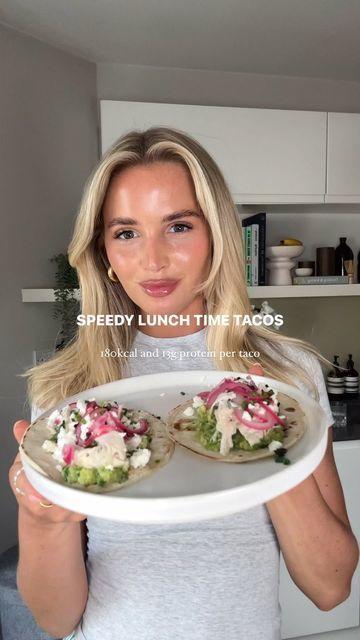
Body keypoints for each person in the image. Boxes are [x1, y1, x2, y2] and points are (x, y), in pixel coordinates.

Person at [9, 127, 359, 640]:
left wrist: (268, 435)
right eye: (126, 233)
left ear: (217, 235)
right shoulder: (72, 390)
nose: (153, 260)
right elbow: (54, 620)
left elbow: (331, 588)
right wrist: (43, 520)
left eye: (178, 226)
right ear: (104, 251)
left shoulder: (287, 374)